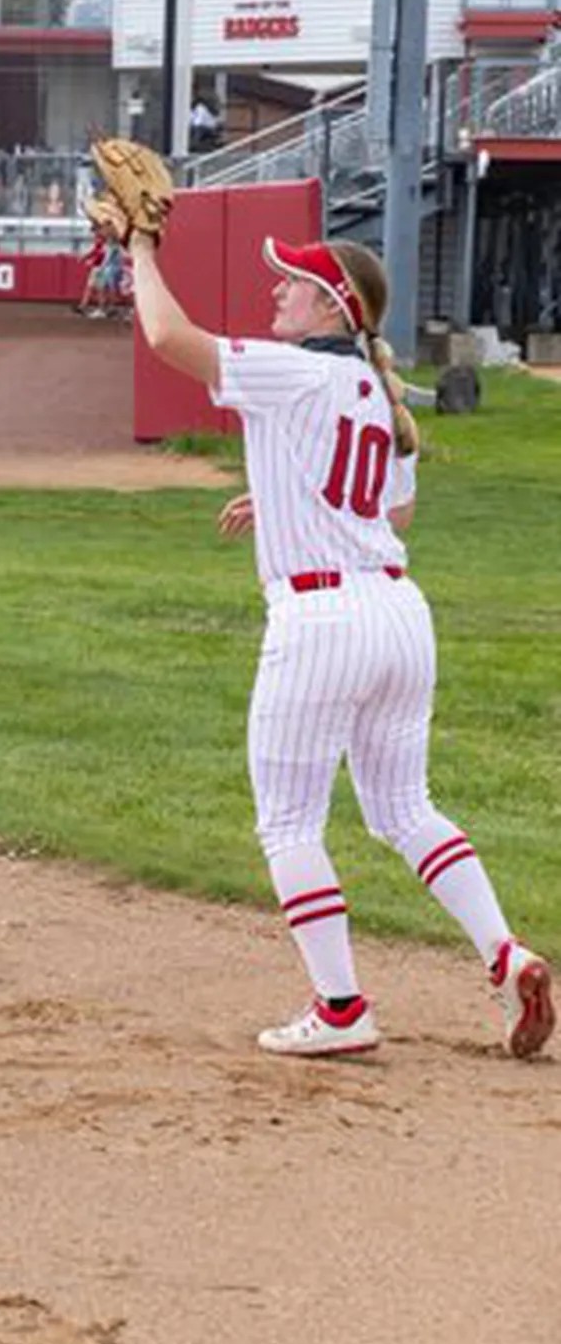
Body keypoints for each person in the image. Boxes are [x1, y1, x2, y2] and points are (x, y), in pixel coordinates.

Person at [124, 224, 550, 1060]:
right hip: (399, 613)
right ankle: (507, 952)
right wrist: (282, 499)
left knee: (288, 824)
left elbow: (168, 337)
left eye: (292, 282)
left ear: (332, 304)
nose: (276, 289)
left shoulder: (295, 369)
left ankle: (342, 1006)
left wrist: (139, 249)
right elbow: (393, 514)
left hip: (321, 623)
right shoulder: (373, 391)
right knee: (407, 809)